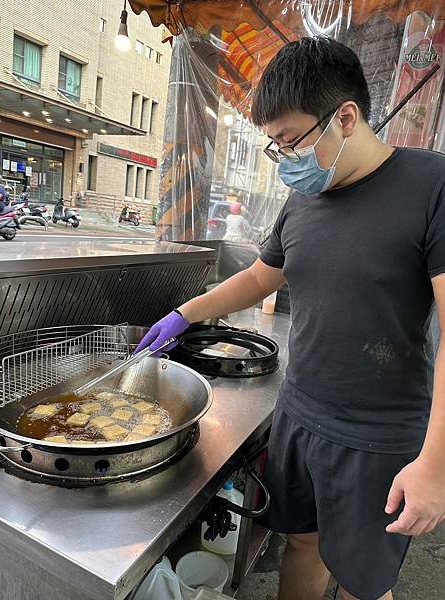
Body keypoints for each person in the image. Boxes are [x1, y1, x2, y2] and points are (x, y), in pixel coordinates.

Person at [135, 37, 445, 600]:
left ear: (344, 117)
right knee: (300, 544)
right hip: (301, 413)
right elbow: (260, 276)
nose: (284, 160)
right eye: (273, 146)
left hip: (377, 436)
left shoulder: (432, 186)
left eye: (288, 140)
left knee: (362, 581)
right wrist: (184, 312)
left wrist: (436, 466)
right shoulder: (304, 199)